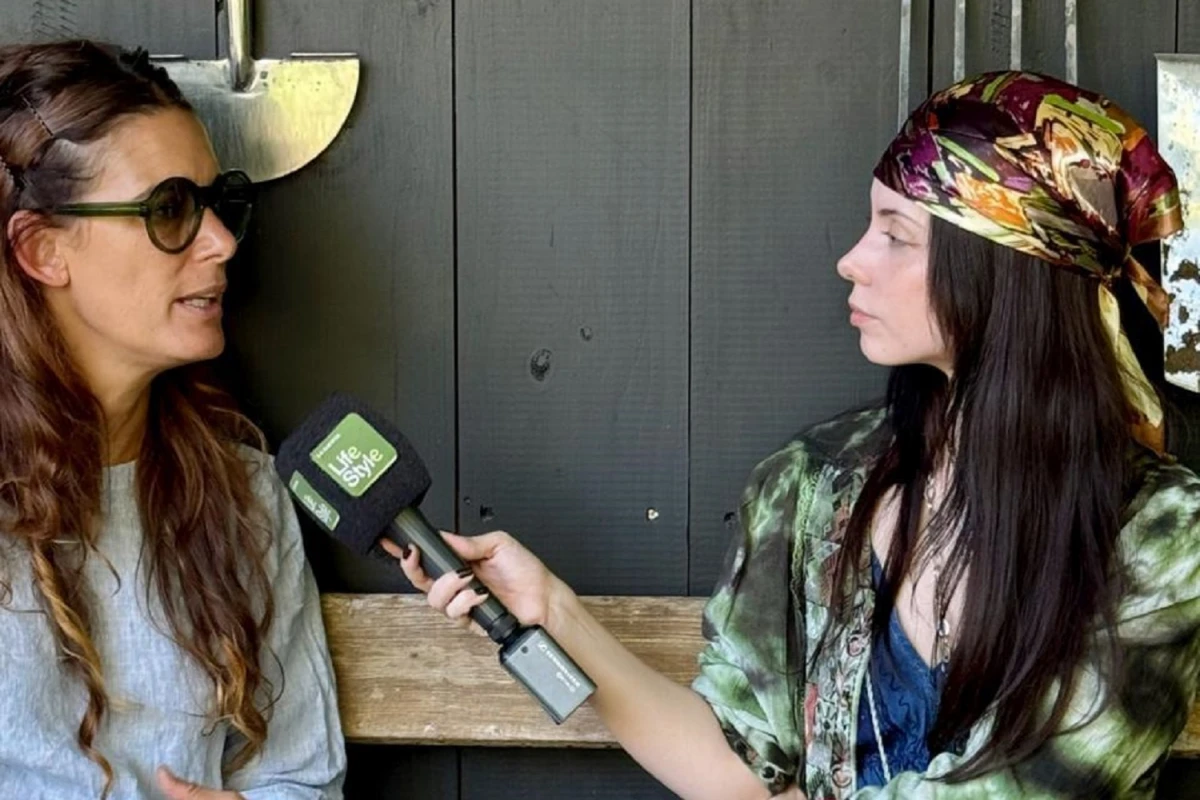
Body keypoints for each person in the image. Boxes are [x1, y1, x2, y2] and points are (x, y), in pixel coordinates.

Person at [389, 71, 1200, 799]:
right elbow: (739, 768)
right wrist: (553, 610)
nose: (851, 260)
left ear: (1004, 271)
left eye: (895, 234)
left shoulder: (1164, 535)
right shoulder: (811, 483)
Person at [0, 41, 345, 798]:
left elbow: (303, 777)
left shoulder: (240, 495)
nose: (220, 242)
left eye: (216, 204)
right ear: (43, 249)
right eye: (169, 209)